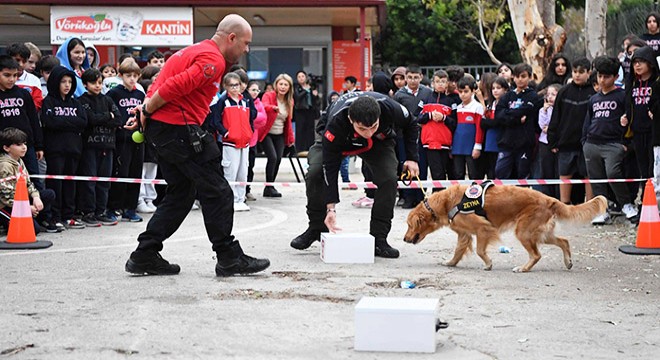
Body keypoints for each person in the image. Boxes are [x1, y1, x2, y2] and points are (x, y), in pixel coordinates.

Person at [124, 14, 270, 277]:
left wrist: (146, 112)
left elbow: (159, 82)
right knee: (218, 190)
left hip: (165, 130)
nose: (246, 50)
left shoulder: (193, 50)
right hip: (179, 130)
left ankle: (144, 254)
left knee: (181, 194)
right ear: (232, 38)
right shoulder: (213, 60)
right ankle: (228, 257)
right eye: (246, 43)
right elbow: (171, 87)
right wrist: (146, 109)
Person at [290, 92, 420, 259]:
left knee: (388, 179)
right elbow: (329, 168)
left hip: (378, 144)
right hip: (339, 141)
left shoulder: (389, 107)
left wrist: (412, 158)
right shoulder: (336, 122)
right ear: (351, 119)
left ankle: (379, 239)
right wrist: (331, 208)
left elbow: (412, 124)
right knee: (315, 173)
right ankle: (316, 228)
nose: (368, 132)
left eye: (373, 126)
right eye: (362, 128)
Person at [584, 56, 638, 225]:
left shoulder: (622, 96)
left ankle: (626, 204)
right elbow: (588, 121)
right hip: (592, 143)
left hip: (614, 143)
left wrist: (625, 143)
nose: (602, 80)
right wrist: (584, 141)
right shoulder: (593, 99)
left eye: (606, 76)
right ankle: (602, 210)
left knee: (613, 173)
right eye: (600, 76)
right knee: (597, 178)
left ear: (615, 77)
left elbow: (630, 119)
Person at [41, 65, 88, 230]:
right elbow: (50, 122)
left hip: (74, 150)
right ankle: (54, 216)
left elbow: (83, 122)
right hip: (55, 151)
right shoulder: (48, 101)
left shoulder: (76, 103)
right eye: (63, 81)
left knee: (70, 184)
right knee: (56, 184)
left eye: (70, 81)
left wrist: (63, 123)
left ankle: (69, 215)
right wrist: (70, 124)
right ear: (55, 82)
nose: (67, 85)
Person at [548, 58, 596, 206]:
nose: (577, 75)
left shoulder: (593, 92)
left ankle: (589, 206)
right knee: (565, 174)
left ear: (588, 72)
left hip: (587, 143)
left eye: (581, 72)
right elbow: (556, 116)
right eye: (575, 72)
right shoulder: (564, 91)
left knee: (588, 175)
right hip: (566, 142)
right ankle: (565, 205)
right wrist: (553, 139)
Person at [77, 68, 122, 226]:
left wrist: (105, 117)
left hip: (108, 145)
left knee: (104, 180)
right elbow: (90, 119)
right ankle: (88, 212)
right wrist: (106, 116)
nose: (97, 86)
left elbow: (118, 119)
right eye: (93, 83)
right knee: (90, 180)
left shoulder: (107, 100)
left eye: (100, 83)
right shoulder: (82, 101)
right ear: (84, 84)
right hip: (90, 146)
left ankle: (101, 211)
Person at [106, 58, 145, 223]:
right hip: (121, 138)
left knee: (136, 173)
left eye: (135, 75)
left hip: (138, 138)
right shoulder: (114, 93)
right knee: (121, 173)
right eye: (128, 75)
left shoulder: (140, 94)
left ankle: (130, 208)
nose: (132, 79)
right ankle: (114, 207)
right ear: (120, 75)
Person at [0, 128, 56, 233]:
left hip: (19, 200)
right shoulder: (4, 165)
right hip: (5, 206)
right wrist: (26, 207)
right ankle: (8, 223)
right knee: (32, 230)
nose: (24, 147)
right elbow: (5, 195)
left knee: (49, 194)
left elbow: (28, 183)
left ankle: (36, 217)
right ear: (6, 148)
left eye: (24, 144)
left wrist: (35, 197)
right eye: (18, 145)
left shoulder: (19, 160)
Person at [0, 55, 43, 191]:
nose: (11, 79)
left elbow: (34, 121)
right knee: (6, 184)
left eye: (15, 75)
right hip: (4, 147)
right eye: (7, 75)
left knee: (34, 181)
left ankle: (39, 211)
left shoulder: (23, 94)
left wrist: (39, 146)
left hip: (26, 146)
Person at [210, 72, 253, 211]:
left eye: (237, 85)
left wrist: (249, 132)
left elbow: (251, 118)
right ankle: (231, 200)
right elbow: (215, 121)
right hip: (230, 143)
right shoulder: (223, 101)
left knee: (243, 172)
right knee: (231, 172)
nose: (235, 88)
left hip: (245, 142)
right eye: (232, 85)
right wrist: (226, 133)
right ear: (226, 87)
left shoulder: (245, 101)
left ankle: (241, 198)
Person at [623, 46, 658, 211]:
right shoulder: (632, 84)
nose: (637, 65)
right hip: (637, 132)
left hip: (654, 132)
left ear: (650, 63)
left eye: (642, 61)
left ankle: (654, 205)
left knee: (654, 169)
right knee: (643, 170)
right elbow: (628, 105)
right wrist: (626, 117)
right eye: (635, 62)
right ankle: (645, 205)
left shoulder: (656, 83)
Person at [393, 64, 433, 209]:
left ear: (421, 77)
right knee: (406, 165)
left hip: (422, 135)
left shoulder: (428, 93)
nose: (413, 80)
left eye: (416, 77)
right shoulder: (399, 95)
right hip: (404, 137)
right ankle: (408, 197)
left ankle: (420, 197)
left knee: (421, 164)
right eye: (410, 77)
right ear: (406, 78)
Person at [494, 63, 542, 180]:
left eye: (523, 76)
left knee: (522, 175)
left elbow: (527, 109)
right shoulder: (507, 96)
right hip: (506, 142)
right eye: (517, 76)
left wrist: (509, 113)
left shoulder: (533, 96)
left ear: (530, 77)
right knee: (500, 172)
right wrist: (517, 119)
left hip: (524, 144)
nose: (519, 79)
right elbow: (499, 115)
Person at [417, 70, 455, 192]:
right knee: (436, 174)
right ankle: (437, 199)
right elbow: (416, 117)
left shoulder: (451, 101)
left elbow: (455, 122)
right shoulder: (425, 99)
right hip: (429, 142)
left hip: (445, 143)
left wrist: (444, 118)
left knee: (443, 174)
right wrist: (429, 115)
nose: (440, 84)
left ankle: (441, 199)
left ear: (447, 83)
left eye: (443, 82)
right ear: (433, 83)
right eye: (437, 81)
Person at [260, 73, 295, 198]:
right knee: (273, 158)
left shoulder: (289, 101)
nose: (283, 87)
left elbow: (288, 121)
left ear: (289, 87)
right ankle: (268, 186)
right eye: (281, 84)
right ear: (276, 85)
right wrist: (272, 107)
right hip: (266, 133)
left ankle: (270, 187)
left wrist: (291, 138)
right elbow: (263, 106)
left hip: (280, 134)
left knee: (279, 159)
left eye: (286, 85)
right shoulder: (269, 95)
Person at [451, 76, 485, 180]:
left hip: (471, 146)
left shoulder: (477, 107)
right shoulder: (458, 107)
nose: (463, 95)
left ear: (473, 91)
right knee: (458, 173)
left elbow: (480, 128)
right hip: (458, 146)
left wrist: (477, 146)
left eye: (466, 91)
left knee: (473, 174)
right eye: (460, 92)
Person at [480, 76, 509, 180]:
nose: (495, 91)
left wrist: (490, 122)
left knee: (500, 169)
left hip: (500, 139)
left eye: (498, 88)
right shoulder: (490, 104)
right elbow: (483, 123)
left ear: (505, 90)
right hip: (490, 140)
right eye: (493, 88)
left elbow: (499, 122)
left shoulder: (506, 104)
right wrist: (490, 122)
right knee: (490, 168)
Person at [537, 84, 561, 197]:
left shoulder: (561, 110)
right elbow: (543, 125)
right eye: (548, 95)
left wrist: (550, 129)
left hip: (557, 143)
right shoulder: (544, 109)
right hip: (544, 142)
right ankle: (547, 195)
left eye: (554, 94)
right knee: (546, 170)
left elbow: (555, 127)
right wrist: (544, 111)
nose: (550, 97)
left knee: (558, 172)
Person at [245, 80, 267, 202]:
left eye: (257, 90)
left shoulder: (259, 103)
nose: (255, 93)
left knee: (250, 167)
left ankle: (247, 190)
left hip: (253, 140)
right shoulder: (244, 101)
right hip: (240, 140)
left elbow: (263, 119)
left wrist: (249, 117)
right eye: (253, 90)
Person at [7, 43, 43, 111]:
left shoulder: (34, 80)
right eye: (17, 60)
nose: (20, 64)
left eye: (24, 61)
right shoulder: (2, 78)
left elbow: (38, 102)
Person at [293, 70, 320, 152]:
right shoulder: (296, 87)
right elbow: (297, 97)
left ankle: (310, 149)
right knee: (300, 130)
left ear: (306, 77)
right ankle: (300, 149)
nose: (301, 78)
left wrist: (315, 95)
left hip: (310, 111)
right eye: (299, 77)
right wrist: (306, 90)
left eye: (302, 76)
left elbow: (316, 101)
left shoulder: (311, 87)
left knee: (310, 130)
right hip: (300, 111)